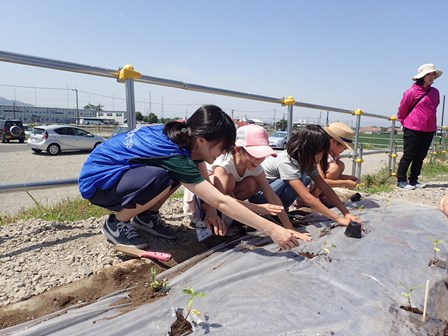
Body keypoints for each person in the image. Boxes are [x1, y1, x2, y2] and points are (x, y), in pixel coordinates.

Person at [78, 105, 300, 251]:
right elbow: (221, 199)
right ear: (202, 140)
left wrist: (210, 212)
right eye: (221, 147)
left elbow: (204, 184)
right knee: (163, 175)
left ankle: (146, 217)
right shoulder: (175, 153)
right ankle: (117, 223)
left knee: (174, 174)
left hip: (116, 175)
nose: (222, 154)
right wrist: (273, 230)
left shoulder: (186, 141)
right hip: (99, 183)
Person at [183, 124, 312, 241]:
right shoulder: (224, 165)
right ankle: (217, 221)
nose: (260, 160)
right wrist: (258, 209)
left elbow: (271, 195)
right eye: (255, 155)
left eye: (262, 155)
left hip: (224, 201)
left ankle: (231, 218)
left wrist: (288, 227)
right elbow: (219, 199)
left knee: (252, 184)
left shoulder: (255, 167)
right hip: (203, 204)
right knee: (230, 181)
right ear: (238, 150)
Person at [249, 124, 361, 226]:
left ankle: (280, 212)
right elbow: (306, 198)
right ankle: (274, 213)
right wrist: (337, 218)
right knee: (295, 179)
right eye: (320, 152)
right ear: (308, 149)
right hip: (260, 197)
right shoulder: (286, 162)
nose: (321, 157)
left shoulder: (307, 161)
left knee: (304, 177)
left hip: (275, 195)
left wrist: (346, 213)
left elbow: (325, 187)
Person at [396, 64, 442, 190]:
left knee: (421, 156)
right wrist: (404, 123)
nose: (432, 77)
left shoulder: (435, 92)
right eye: (430, 74)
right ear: (423, 76)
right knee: (409, 154)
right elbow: (402, 110)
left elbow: (434, 107)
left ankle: (414, 180)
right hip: (412, 127)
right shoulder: (411, 92)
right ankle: (401, 180)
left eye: (433, 74)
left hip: (429, 128)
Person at [320, 122, 360, 189]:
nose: (343, 150)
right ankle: (321, 192)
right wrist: (345, 183)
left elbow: (330, 176)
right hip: (315, 183)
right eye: (344, 147)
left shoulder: (331, 155)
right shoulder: (320, 155)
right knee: (334, 168)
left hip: (320, 181)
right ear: (333, 142)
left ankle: (325, 191)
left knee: (340, 165)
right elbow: (320, 180)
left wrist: (348, 178)